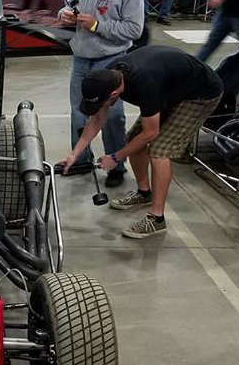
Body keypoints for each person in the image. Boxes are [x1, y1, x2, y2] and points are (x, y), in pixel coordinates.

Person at [62, 45, 222, 239]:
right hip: (172, 89)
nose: (100, 107)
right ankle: (144, 193)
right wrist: (75, 154)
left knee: (160, 151)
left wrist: (115, 157)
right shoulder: (108, 78)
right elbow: (97, 119)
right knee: (133, 140)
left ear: (113, 95)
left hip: (200, 95)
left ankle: (157, 219)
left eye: (101, 103)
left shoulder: (145, 83)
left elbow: (150, 133)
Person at [58, 0, 144, 187]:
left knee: (113, 115)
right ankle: (80, 159)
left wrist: (97, 25)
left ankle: (116, 164)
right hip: (81, 56)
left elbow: (134, 29)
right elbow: (69, 1)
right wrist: (64, 14)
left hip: (111, 59)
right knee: (79, 110)